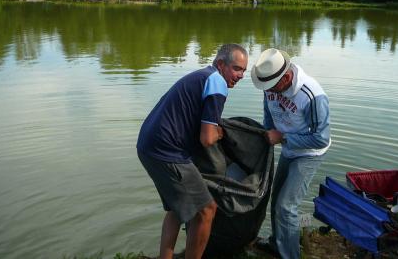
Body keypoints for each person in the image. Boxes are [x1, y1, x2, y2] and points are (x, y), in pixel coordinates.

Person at [137, 43, 248, 259]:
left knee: (175, 210)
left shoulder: (202, 76)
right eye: (236, 68)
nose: (241, 75)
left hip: (147, 146)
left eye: (244, 70)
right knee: (207, 210)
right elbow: (207, 138)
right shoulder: (217, 83)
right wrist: (219, 133)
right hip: (167, 151)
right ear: (220, 64)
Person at [251, 48, 331, 259]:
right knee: (276, 198)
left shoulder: (312, 95)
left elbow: (320, 138)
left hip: (309, 153)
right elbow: (269, 114)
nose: (270, 92)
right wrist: (267, 135)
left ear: (286, 77)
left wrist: (283, 138)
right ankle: (278, 245)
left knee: (286, 206)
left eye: (272, 87)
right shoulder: (270, 84)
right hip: (288, 147)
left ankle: (290, 255)